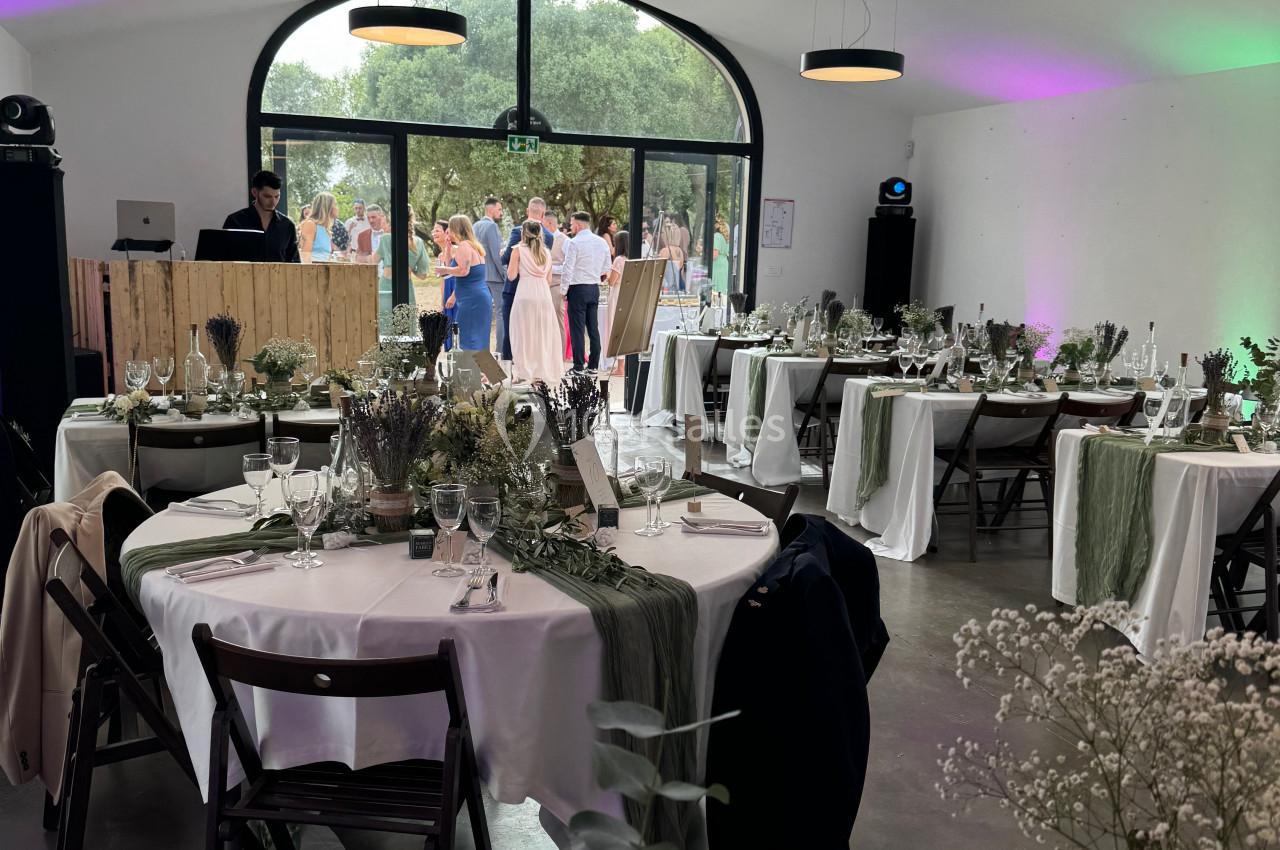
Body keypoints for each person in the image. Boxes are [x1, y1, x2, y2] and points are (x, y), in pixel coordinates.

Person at [506, 220, 564, 384]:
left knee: (522, 334)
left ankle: (524, 372)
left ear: (523, 233)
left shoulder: (517, 250)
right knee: (541, 334)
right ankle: (539, 372)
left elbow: (511, 276)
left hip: (525, 293)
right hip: (543, 295)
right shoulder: (546, 252)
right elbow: (549, 278)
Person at [500, 197, 555, 364]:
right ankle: (534, 366)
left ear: (527, 211)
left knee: (512, 331)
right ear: (543, 214)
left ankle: (510, 366)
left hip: (516, 289)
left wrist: (503, 253)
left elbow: (507, 260)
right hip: (540, 292)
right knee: (537, 332)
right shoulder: (550, 236)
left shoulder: (518, 231)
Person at [560, 211, 612, 372]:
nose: (570, 227)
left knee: (577, 329)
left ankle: (578, 365)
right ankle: (594, 364)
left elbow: (567, 269)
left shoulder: (574, 243)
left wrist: (563, 290)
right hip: (593, 288)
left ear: (578, 224)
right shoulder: (602, 242)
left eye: (571, 224)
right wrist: (597, 276)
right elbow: (606, 267)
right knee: (593, 328)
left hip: (577, 289)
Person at [436, 215, 491, 351]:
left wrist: (444, 269)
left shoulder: (464, 246)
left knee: (468, 337)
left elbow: (463, 271)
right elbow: (453, 266)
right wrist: (448, 249)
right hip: (478, 297)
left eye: (450, 227)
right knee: (479, 339)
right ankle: (484, 371)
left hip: (471, 300)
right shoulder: (474, 246)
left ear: (456, 228)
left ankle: (469, 371)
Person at [222, 170, 299, 262]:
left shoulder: (288, 226)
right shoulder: (235, 221)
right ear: (254, 192)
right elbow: (224, 261)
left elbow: (295, 264)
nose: (273, 202)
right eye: (267, 196)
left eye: (277, 196)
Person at [375, 205, 432, 327]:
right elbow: (423, 275)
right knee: (406, 327)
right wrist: (411, 268)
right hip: (406, 287)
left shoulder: (385, 239)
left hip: (386, 285)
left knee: (385, 325)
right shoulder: (418, 242)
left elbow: (372, 261)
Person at [473, 196, 507, 355]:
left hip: (479, 276)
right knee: (501, 313)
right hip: (494, 277)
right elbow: (496, 255)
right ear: (491, 209)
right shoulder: (491, 227)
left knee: (482, 316)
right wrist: (505, 275)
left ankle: (482, 352)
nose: (501, 212)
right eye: (499, 209)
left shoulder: (475, 226)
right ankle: (500, 352)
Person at [602, 229, 630, 369]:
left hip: (617, 295)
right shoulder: (632, 259)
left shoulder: (619, 260)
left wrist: (607, 276)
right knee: (624, 328)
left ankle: (620, 367)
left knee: (615, 328)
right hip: (627, 295)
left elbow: (612, 281)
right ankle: (621, 365)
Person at [430, 220, 458, 350]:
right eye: (433, 230)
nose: (433, 233)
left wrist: (454, 296)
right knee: (447, 330)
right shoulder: (440, 256)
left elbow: (461, 276)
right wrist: (442, 301)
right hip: (447, 293)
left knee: (457, 327)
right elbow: (443, 280)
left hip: (457, 292)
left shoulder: (456, 251)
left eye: (437, 230)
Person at [544, 211, 569, 352]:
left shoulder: (565, 240)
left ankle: (560, 357)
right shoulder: (541, 240)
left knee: (557, 321)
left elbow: (568, 266)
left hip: (556, 286)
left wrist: (548, 267)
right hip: (543, 286)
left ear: (550, 223)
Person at [298, 192, 338, 263]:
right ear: (327, 207)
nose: (337, 208)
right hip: (313, 271)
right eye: (335, 204)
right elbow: (305, 256)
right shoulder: (310, 224)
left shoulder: (326, 229)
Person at [655, 220, 686, 293]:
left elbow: (659, 270)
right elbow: (681, 271)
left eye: (662, 233)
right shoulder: (679, 250)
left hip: (669, 286)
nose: (661, 235)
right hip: (679, 283)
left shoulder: (665, 250)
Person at [711, 215, 731, 296]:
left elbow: (714, 255)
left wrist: (703, 253)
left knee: (716, 291)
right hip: (724, 264)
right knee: (723, 291)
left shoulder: (717, 236)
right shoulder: (724, 237)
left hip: (717, 266)